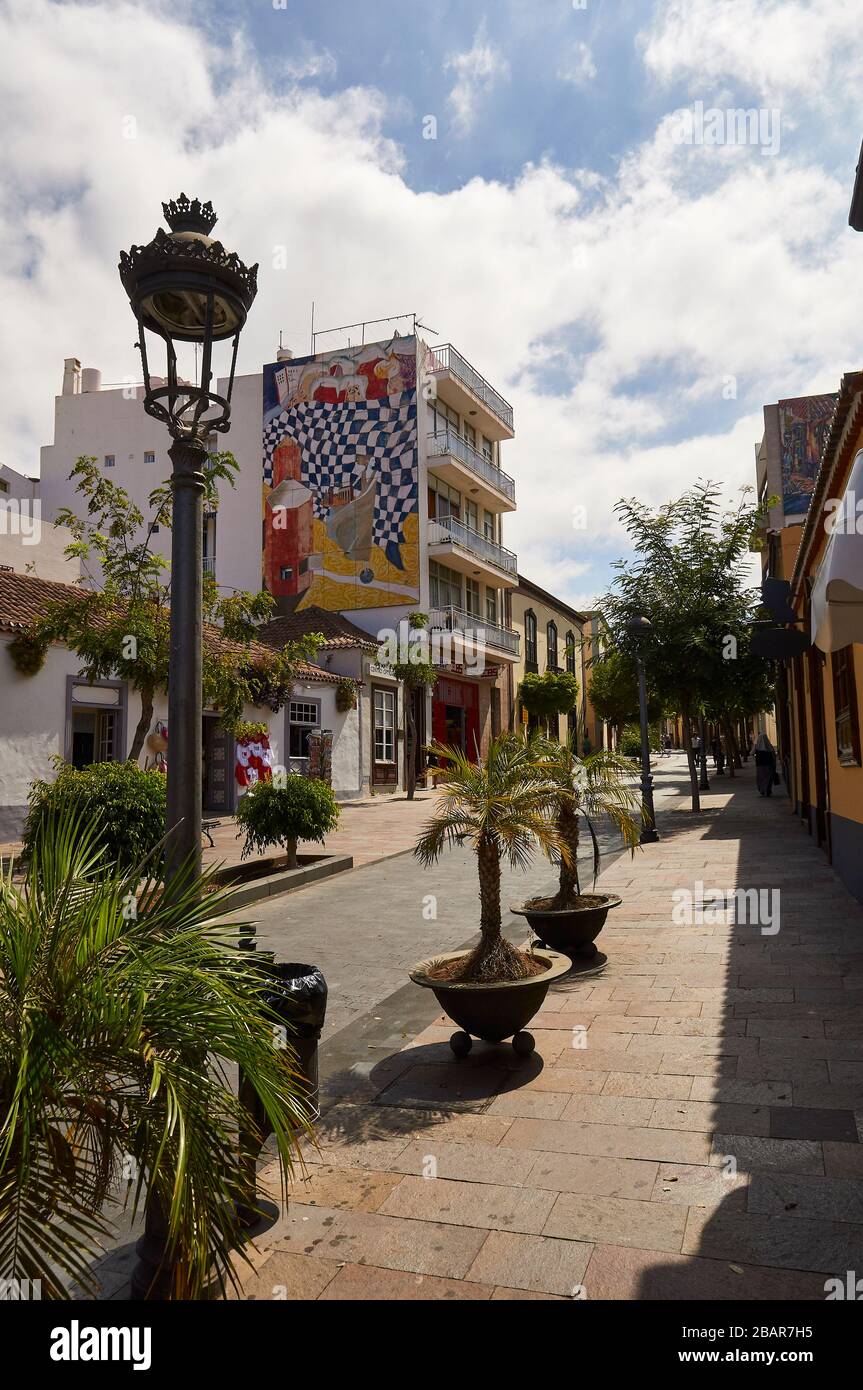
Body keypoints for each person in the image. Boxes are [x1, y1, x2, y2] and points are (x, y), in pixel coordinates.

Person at [754, 732, 777, 797]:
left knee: (761, 778)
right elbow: (773, 756)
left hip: (760, 765)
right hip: (769, 765)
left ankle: (763, 790)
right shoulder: (769, 746)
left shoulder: (757, 747)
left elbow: (751, 752)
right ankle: (767, 789)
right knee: (768, 778)